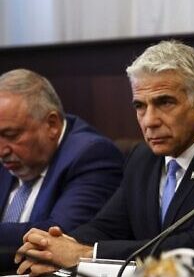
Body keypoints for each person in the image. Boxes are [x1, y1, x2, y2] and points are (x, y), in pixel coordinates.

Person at [15, 41, 194, 276]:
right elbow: (106, 226)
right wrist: (53, 247)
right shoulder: (144, 156)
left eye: (164, 103)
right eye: (140, 106)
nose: (149, 121)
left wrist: (84, 254)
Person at [0, 69, 122, 272]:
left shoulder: (92, 154)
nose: (1, 150)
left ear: (52, 124)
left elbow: (60, 237)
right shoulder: (10, 154)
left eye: (11, 135)